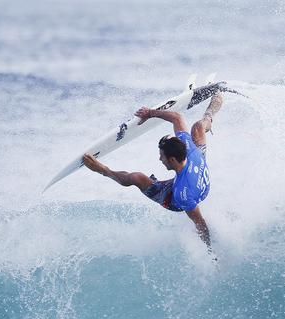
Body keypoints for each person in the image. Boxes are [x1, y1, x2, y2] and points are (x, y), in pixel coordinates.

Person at [82, 93, 223, 255]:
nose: (159, 159)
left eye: (162, 156)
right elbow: (177, 117)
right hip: (196, 165)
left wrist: (211, 252)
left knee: (137, 178)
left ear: (172, 159)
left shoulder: (181, 194)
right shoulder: (187, 147)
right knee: (198, 127)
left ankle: (102, 169)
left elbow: (200, 222)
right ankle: (211, 113)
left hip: (182, 195)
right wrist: (150, 113)